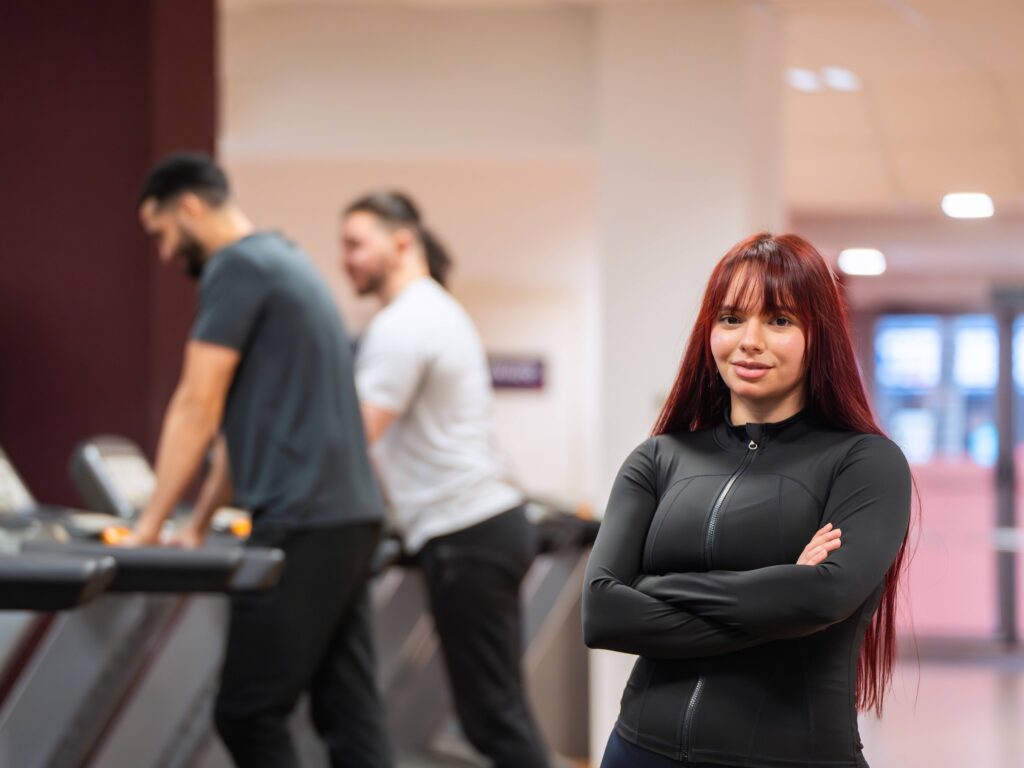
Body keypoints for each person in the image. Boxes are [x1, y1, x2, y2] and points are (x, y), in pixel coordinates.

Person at [582, 233, 912, 768]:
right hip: (638, 751)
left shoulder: (866, 463)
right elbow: (602, 613)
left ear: (817, 336)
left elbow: (823, 599)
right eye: (731, 318)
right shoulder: (659, 458)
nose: (749, 340)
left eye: (779, 320)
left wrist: (652, 589)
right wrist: (783, 589)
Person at [130, 153, 393, 768]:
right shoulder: (284, 260)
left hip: (302, 518)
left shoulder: (238, 266)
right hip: (348, 515)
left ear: (189, 207)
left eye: (163, 233)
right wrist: (193, 526)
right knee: (347, 711)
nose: (166, 253)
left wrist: (148, 526)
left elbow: (197, 403)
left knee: (247, 713)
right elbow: (242, 428)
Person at [339, 191, 550, 768]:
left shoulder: (404, 323)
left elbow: (352, 439)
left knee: (495, 722)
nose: (346, 259)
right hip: (476, 525)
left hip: (467, 530)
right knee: (495, 716)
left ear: (401, 240)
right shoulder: (432, 311)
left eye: (356, 244)